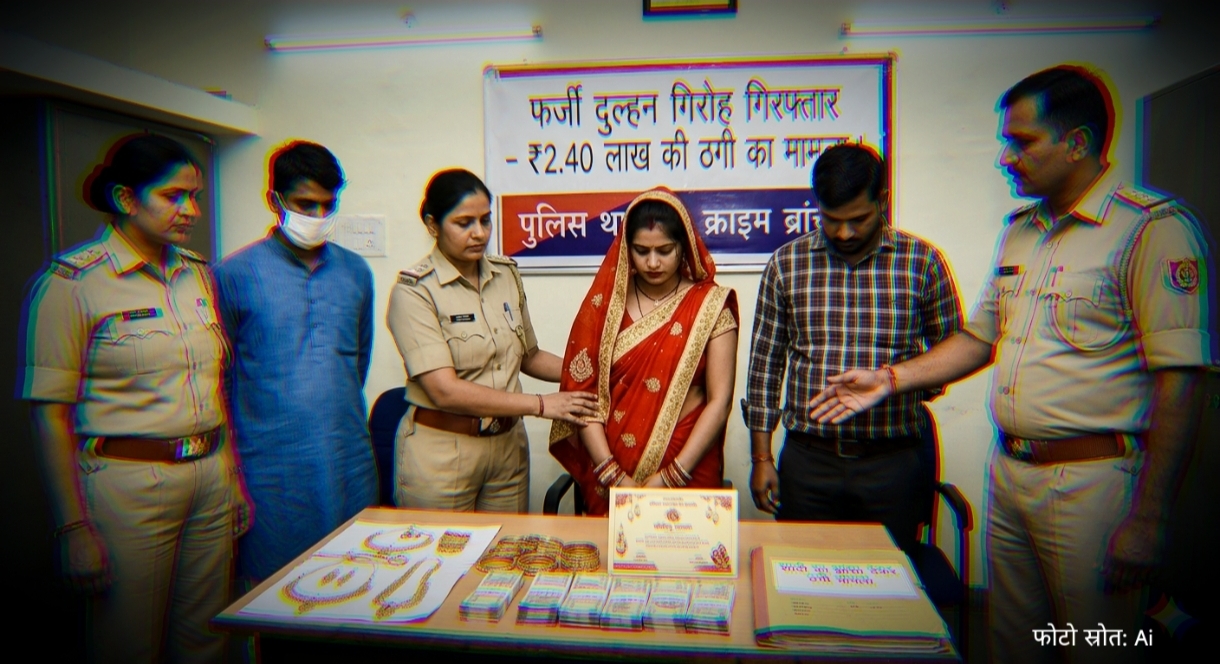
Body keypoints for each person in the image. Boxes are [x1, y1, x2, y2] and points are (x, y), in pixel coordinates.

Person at [809, 65, 1213, 664]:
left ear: (1076, 142)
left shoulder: (1150, 230)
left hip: (1092, 481)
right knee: (1014, 643)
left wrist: (1149, 515)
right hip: (1012, 473)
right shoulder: (1022, 232)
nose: (1006, 158)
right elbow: (979, 339)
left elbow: (1181, 379)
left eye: (1022, 142)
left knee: (1094, 644)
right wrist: (890, 379)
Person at [19, 134, 249, 662]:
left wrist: (232, 477)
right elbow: (50, 415)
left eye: (194, 196)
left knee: (207, 639)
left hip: (209, 477)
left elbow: (213, 386)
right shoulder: (73, 283)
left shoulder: (196, 273)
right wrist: (73, 527)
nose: (190, 210)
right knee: (127, 643)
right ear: (126, 198)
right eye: (172, 196)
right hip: (129, 485)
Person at [740, 143, 963, 554]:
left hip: (891, 463)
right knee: (801, 573)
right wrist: (761, 458)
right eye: (831, 220)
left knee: (891, 578)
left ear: (883, 200)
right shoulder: (787, 264)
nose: (844, 233)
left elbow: (953, 350)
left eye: (858, 219)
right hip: (809, 462)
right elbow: (765, 366)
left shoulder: (922, 263)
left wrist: (903, 386)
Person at [386, 168, 597, 512]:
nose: (479, 233)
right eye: (464, 223)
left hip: (507, 449)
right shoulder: (415, 292)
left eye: (485, 220)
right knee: (445, 547)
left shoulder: (506, 275)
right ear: (432, 224)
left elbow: (529, 356)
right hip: (444, 453)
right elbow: (444, 390)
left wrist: (594, 374)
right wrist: (542, 404)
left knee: (505, 544)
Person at [215, 141, 377, 584]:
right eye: (306, 205)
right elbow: (221, 379)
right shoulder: (234, 274)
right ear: (275, 200)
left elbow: (355, 365)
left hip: (347, 458)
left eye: (329, 205)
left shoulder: (355, 272)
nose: (319, 216)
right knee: (274, 590)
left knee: (355, 579)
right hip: (269, 469)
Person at [549, 189, 739, 515]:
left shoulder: (710, 306)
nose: (652, 263)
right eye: (641, 251)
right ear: (627, 249)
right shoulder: (605, 307)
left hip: (687, 463)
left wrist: (671, 476)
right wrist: (613, 475)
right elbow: (583, 395)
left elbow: (719, 401)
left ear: (684, 247)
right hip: (611, 467)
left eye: (664, 251)